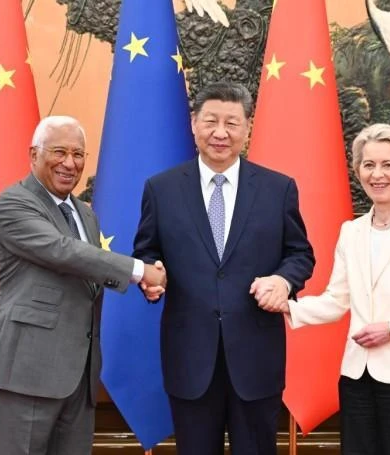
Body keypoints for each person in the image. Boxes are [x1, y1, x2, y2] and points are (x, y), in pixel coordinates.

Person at [258, 123, 390, 455]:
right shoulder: (351, 231)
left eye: (388, 165)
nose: (376, 174)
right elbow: (336, 300)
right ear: (358, 172)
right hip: (357, 378)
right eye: (368, 165)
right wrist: (288, 306)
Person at [132, 81, 315, 455]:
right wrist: (150, 278)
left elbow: (300, 254)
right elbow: (147, 252)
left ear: (247, 128)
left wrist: (283, 281)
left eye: (231, 123)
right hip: (189, 357)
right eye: (211, 121)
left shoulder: (278, 189)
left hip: (256, 357)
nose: (220, 133)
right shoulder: (161, 189)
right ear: (193, 123)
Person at [0, 116, 166, 455]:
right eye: (59, 152)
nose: (70, 163)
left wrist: (143, 282)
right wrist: (139, 271)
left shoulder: (85, 214)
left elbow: (88, 269)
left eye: (78, 154)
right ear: (34, 154)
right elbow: (63, 251)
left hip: (78, 378)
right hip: (27, 374)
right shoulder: (14, 202)